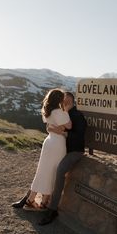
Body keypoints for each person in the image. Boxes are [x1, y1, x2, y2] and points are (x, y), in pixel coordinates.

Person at [12, 88, 71, 209]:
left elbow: (49, 127)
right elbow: (69, 125)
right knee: (53, 171)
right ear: (59, 99)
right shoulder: (60, 112)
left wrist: (56, 129)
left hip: (48, 142)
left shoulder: (47, 110)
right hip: (58, 144)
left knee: (43, 170)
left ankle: (31, 199)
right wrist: (66, 110)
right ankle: (44, 201)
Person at [38, 91, 87, 225]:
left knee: (60, 171)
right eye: (64, 101)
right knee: (45, 166)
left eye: (68, 102)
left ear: (72, 102)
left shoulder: (77, 116)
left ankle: (52, 209)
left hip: (74, 151)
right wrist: (52, 130)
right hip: (61, 149)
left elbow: (79, 137)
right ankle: (30, 197)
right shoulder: (61, 113)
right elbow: (50, 126)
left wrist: (63, 134)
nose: (65, 104)